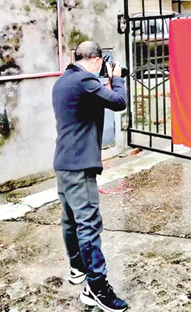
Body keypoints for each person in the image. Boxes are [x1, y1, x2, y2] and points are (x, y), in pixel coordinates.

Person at [52, 41, 128, 312]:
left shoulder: (63, 81)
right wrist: (117, 78)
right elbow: (119, 102)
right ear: (96, 60)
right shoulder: (85, 80)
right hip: (80, 166)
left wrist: (106, 82)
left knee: (71, 220)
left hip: (63, 163)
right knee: (88, 224)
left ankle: (77, 268)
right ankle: (96, 287)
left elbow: (91, 103)